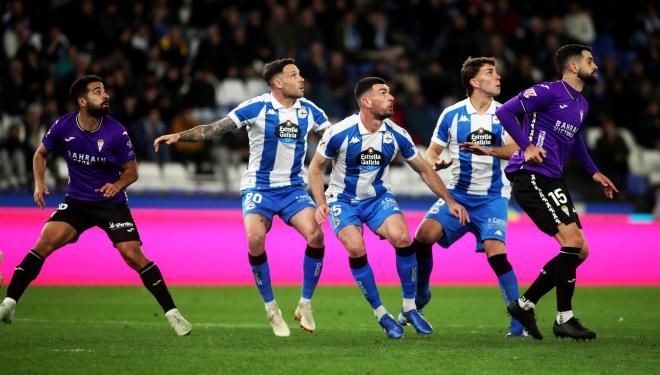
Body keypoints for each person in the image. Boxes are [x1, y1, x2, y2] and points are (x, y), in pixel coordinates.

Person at [0, 75, 192, 336]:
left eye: (104, 91)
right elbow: (40, 154)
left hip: (110, 203)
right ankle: (9, 303)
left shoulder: (116, 131)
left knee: (132, 255)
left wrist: (118, 185)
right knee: (45, 240)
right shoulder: (63, 126)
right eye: (97, 91)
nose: (105, 95)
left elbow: (132, 172)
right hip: (77, 202)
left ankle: (173, 313)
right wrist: (38, 183)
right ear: (82, 101)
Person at [154, 58, 330, 337]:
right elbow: (216, 128)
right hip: (259, 188)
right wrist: (181, 135)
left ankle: (305, 304)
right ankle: (271, 308)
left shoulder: (310, 110)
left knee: (317, 237)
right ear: (278, 83)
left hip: (293, 189)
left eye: (300, 75)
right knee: (255, 239)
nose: (301, 79)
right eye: (294, 75)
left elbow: (335, 138)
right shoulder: (256, 106)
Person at [308, 77, 469, 339]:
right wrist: (321, 203)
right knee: (356, 247)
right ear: (366, 102)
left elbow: (424, 170)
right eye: (383, 93)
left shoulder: (396, 134)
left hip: (377, 198)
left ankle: (409, 307)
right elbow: (315, 168)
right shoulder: (340, 132)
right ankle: (381, 314)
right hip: (342, 200)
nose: (391, 97)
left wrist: (450, 201)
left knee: (404, 238)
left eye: (390, 93)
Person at [497, 45, 619, 340]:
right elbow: (505, 112)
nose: (596, 65)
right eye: (590, 60)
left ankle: (524, 304)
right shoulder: (548, 91)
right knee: (573, 241)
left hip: (553, 178)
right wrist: (526, 146)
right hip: (531, 176)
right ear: (573, 67)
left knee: (581, 250)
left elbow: (574, 140)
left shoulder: (582, 104)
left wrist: (594, 172)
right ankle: (564, 318)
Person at [411, 57, 524, 337]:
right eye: (490, 73)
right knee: (422, 238)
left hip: (492, 198)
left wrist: (488, 151)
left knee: (496, 252)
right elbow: (432, 151)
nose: (497, 77)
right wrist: (435, 162)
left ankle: (518, 322)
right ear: (474, 82)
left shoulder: (504, 114)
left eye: (496, 72)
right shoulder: (452, 114)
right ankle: (422, 292)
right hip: (458, 195)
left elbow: (517, 150)